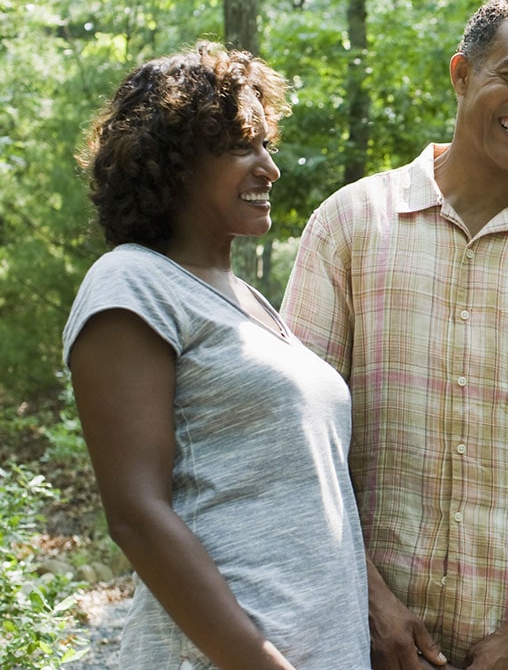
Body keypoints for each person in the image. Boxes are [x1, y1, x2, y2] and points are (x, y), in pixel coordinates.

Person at [279, 0, 508, 668]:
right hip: (362, 640)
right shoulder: (350, 223)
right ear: (462, 74)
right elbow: (300, 435)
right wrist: (371, 600)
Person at [64, 42, 369, 669]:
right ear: (171, 162)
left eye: (268, 146)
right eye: (242, 147)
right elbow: (136, 514)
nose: (269, 169)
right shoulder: (132, 283)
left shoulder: (250, 302)